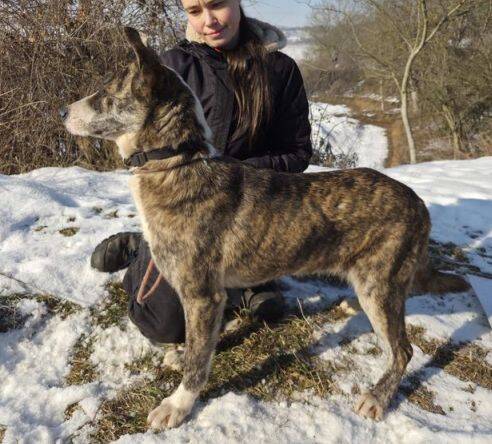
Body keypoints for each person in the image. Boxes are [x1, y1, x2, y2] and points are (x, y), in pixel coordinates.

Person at [91, 0, 313, 345]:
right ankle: (143, 246)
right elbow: (143, 146)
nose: (208, 20)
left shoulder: (280, 69)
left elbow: (297, 152)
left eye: (217, 5)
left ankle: (244, 281)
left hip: (251, 214)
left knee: (263, 305)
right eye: (194, 11)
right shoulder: (172, 66)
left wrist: (237, 174)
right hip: (183, 217)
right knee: (165, 325)